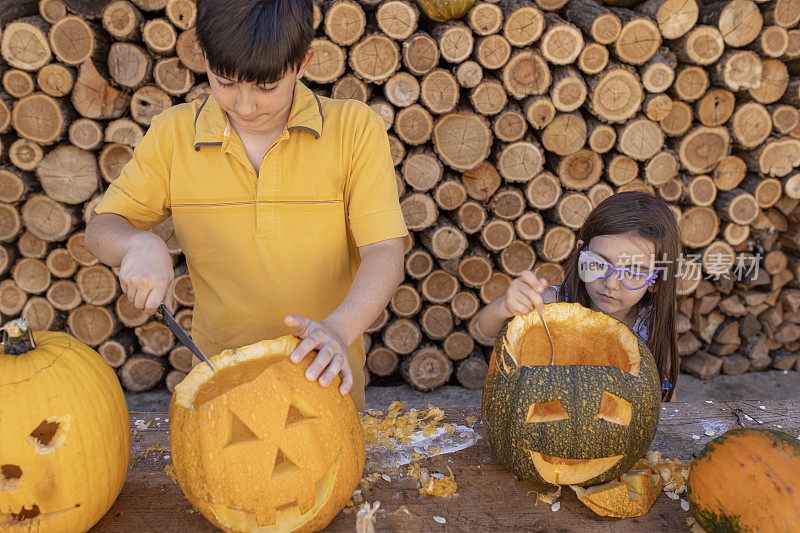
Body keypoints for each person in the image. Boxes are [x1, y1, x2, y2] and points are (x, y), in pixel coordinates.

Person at [84, 0, 407, 409]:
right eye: (225, 82)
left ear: (304, 62)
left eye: (267, 86)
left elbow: (384, 252)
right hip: (221, 387)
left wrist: (338, 332)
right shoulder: (173, 135)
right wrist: (137, 245)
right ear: (205, 60)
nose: (245, 105)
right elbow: (101, 227)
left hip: (324, 383)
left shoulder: (354, 129)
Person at [476, 191, 681, 401]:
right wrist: (506, 307)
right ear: (581, 253)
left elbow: (666, 399)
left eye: (633, 272)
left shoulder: (651, 326)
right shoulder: (552, 304)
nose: (610, 283)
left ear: (655, 281)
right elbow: (485, 329)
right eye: (599, 263)